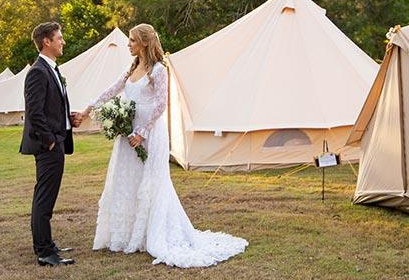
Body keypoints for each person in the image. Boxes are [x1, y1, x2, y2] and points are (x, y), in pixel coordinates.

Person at [80, 23, 248, 268]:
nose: (128, 44)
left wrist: (142, 132)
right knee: (127, 180)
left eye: (133, 41)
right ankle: (129, 234)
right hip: (128, 133)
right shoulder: (131, 68)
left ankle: (153, 233)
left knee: (152, 182)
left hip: (149, 133)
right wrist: (87, 109)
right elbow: (112, 90)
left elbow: (161, 105)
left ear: (145, 43)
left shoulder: (159, 70)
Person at [20, 22, 82, 266]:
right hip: (48, 146)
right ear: (47, 41)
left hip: (57, 140)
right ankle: (45, 252)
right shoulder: (38, 71)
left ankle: (45, 244)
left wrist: (69, 118)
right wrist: (50, 142)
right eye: (59, 37)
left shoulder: (52, 69)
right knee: (44, 199)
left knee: (45, 197)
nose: (62, 41)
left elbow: (50, 108)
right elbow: (35, 113)